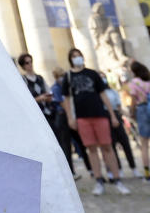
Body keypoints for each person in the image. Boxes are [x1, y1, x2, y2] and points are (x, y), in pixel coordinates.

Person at [59, 48, 130, 195]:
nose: (77, 58)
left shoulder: (92, 74)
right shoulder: (68, 76)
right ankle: (98, 180)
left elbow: (103, 94)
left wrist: (112, 115)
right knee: (91, 149)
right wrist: (71, 117)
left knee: (107, 147)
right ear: (70, 59)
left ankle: (117, 179)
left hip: (99, 115)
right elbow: (66, 99)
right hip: (82, 118)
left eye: (79, 55)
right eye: (74, 56)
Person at [103, 78, 139, 178]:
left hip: (116, 116)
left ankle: (133, 167)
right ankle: (119, 169)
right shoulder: (99, 94)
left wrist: (128, 114)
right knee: (112, 145)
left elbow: (118, 107)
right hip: (106, 118)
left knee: (125, 143)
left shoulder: (113, 92)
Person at [18, 53, 56, 130]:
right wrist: (39, 98)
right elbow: (25, 100)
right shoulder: (23, 80)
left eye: (31, 61)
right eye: (27, 63)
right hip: (37, 116)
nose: (30, 64)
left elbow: (50, 93)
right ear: (23, 66)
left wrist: (48, 97)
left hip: (49, 113)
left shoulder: (40, 78)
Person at [127, 59, 150, 180]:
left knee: (144, 144)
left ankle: (147, 172)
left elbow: (133, 101)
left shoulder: (134, 83)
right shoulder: (148, 81)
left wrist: (131, 112)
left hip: (142, 110)